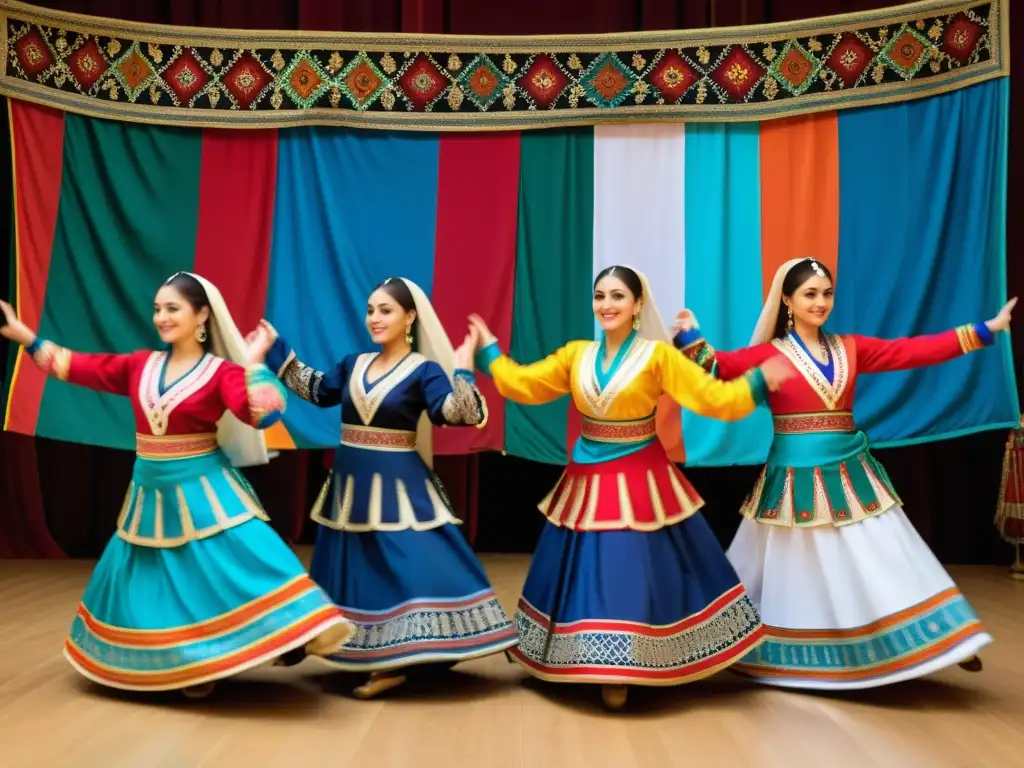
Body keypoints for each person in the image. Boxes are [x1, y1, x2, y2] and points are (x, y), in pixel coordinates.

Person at [0, 273, 353, 699]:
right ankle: (186, 664)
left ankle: (282, 634)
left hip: (204, 490)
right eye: (157, 309)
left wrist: (254, 361)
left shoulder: (221, 373)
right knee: (151, 582)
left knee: (244, 562)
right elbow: (73, 366)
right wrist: (27, 337)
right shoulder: (139, 365)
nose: (162, 317)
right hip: (149, 492)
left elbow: (263, 414)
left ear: (201, 315)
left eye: (172, 308)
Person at [672, 257, 1016, 689]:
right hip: (792, 480)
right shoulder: (769, 355)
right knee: (792, 571)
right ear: (788, 301)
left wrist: (984, 330)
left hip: (850, 474)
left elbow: (909, 352)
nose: (820, 302)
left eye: (827, 293)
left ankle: (942, 639)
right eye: (810, 294)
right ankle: (793, 651)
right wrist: (690, 333)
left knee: (883, 555)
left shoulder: (851, 347)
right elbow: (719, 366)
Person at [467, 265, 794, 710]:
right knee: (584, 573)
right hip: (586, 477)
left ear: (638, 305)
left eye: (617, 296)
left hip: (641, 478)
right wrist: (489, 354)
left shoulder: (659, 358)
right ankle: (589, 659)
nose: (606, 305)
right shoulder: (575, 355)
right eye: (600, 296)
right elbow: (525, 385)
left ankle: (625, 665)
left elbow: (714, 400)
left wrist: (756, 383)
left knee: (627, 572)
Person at [247, 277, 517, 700]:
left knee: (405, 563)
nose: (375, 317)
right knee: (352, 568)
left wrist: (463, 366)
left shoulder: (423, 370)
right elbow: (318, 390)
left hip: (400, 487)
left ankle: (399, 659)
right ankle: (330, 642)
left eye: (385, 310)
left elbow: (454, 414)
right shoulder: (354, 363)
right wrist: (275, 346)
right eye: (371, 309)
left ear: (409, 317)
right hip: (351, 485)